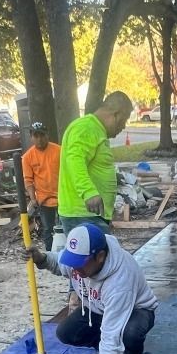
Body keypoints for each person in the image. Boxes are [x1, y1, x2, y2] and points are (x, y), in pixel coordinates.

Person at [24, 223, 157, 354]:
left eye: (80, 264)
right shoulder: (78, 261)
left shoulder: (120, 282)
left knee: (129, 333)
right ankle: (103, 351)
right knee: (65, 332)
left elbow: (111, 334)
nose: (74, 270)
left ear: (100, 256)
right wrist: (41, 259)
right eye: (73, 262)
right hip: (98, 308)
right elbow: (58, 262)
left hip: (137, 311)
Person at [58, 91, 132, 311]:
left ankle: (84, 310)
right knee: (94, 268)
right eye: (124, 120)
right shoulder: (87, 127)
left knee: (87, 268)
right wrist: (88, 191)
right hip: (83, 212)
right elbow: (75, 159)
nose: (122, 128)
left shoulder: (94, 130)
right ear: (116, 114)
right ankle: (92, 316)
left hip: (90, 214)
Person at [22, 121, 61, 251]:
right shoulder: (27, 157)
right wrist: (33, 199)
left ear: (47, 135)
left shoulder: (58, 150)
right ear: (31, 137)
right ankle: (50, 256)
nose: (39, 139)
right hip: (44, 200)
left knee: (65, 228)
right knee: (48, 229)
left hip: (63, 197)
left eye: (42, 135)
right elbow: (28, 181)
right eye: (36, 136)